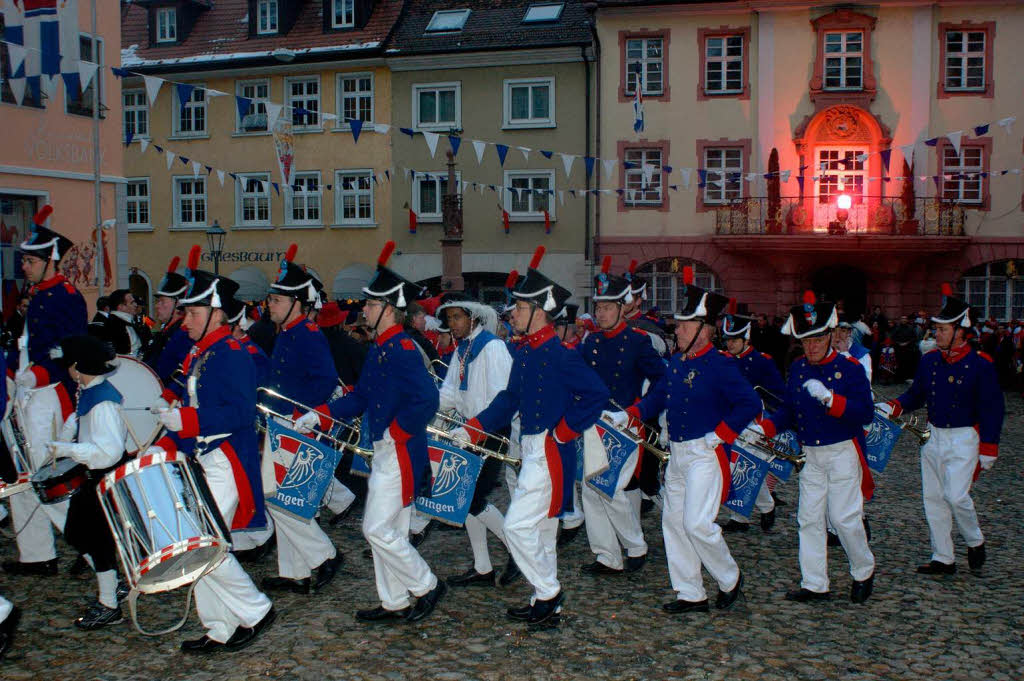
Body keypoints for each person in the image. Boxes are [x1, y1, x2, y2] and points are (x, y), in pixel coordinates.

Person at [452, 246, 608, 627]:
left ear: (541, 312)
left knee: (517, 526)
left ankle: (551, 592)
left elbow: (596, 395)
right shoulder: (524, 352)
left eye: (520, 308)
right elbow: (509, 399)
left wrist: (565, 431)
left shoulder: (562, 354)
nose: (513, 314)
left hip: (552, 452)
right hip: (532, 450)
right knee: (540, 531)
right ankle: (544, 599)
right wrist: (476, 426)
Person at [298, 241, 445, 624]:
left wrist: (399, 431)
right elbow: (362, 396)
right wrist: (321, 415)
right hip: (384, 448)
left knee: (376, 528)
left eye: (371, 305)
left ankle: (427, 584)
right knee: (390, 528)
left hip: (399, 449)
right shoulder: (382, 347)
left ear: (390, 309)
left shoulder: (402, 349)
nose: (364, 309)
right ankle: (394, 600)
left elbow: (428, 399)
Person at [147, 245, 275, 653]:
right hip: (205, 458)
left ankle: (255, 609)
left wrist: (183, 423)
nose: (185, 321)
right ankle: (219, 626)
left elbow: (239, 414)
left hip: (226, 459)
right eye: (185, 313)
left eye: (194, 314)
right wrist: (162, 446)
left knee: (200, 542)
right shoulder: (202, 351)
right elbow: (191, 411)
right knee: (202, 544)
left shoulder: (231, 353)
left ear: (218, 313)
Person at [616, 266, 758, 615]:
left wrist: (720, 435)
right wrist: (630, 413)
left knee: (697, 523)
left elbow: (749, 404)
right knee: (675, 523)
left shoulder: (721, 365)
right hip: (676, 453)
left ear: (703, 331)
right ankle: (690, 592)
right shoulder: (677, 363)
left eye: (682, 326)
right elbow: (658, 396)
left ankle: (730, 577)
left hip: (705, 453)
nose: (675, 330)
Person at [757, 291, 876, 605]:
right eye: (805, 340)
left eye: (817, 339)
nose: (810, 346)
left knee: (844, 518)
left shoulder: (850, 370)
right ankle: (814, 583)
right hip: (811, 453)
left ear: (830, 336)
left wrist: (831, 400)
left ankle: (863, 569)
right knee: (808, 518)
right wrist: (768, 426)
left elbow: (866, 413)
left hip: (842, 452)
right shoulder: (797, 368)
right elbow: (790, 410)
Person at [884, 283, 1003, 576]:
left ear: (961, 332)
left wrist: (989, 446)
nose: (935, 334)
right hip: (933, 436)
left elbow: (992, 408)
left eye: (942, 330)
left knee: (956, 496)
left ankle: (975, 539)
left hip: (964, 438)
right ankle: (943, 557)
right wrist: (894, 407)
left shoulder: (980, 364)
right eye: (936, 329)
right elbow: (917, 395)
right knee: (933, 498)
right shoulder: (930, 361)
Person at [4, 205, 88, 577]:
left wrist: (37, 374)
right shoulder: (38, 293)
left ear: (49, 259)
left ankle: (92, 550)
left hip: (50, 393)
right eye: (24, 260)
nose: (24, 265)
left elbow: (72, 351)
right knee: (22, 475)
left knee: (45, 477)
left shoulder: (66, 296)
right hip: (27, 394)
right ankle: (37, 555)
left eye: (30, 260)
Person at [260, 244, 346, 594]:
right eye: (271, 300)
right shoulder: (287, 333)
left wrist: (300, 415)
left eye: (277, 301)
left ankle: (324, 555)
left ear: (297, 303)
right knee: (287, 498)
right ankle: (294, 573)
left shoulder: (308, 335)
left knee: (277, 498)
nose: (270, 306)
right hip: (281, 424)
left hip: (296, 427)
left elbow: (326, 382)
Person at [577, 257, 665, 574]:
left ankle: (635, 545)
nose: (600, 313)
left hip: (624, 427)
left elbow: (663, 382)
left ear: (621, 308)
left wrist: (638, 412)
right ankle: (607, 556)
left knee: (608, 487)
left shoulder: (638, 342)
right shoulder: (592, 342)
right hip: (594, 425)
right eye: (597, 307)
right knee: (591, 489)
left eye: (607, 307)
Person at [434, 291, 520, 588]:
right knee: (465, 499)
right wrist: (423, 406)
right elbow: (448, 394)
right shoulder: (463, 350)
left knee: (473, 498)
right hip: (469, 433)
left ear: (474, 317)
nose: (452, 324)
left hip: (491, 431)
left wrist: (476, 427)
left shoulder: (493, 347)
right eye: (449, 318)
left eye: (457, 317)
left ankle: (517, 552)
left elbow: (502, 396)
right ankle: (483, 568)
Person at [47, 335, 129, 629]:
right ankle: (113, 584)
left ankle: (110, 604)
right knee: (77, 534)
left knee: (97, 541)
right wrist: (64, 438)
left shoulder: (102, 402)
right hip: (94, 477)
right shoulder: (90, 390)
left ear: (78, 367)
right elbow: (79, 422)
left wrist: (69, 450)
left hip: (104, 478)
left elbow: (109, 452)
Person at [720, 300, 781, 533]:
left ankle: (764, 507)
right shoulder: (724, 360)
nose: (730, 344)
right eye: (728, 339)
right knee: (734, 466)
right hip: (728, 419)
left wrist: (770, 422)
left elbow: (776, 392)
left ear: (746, 338)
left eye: (734, 339)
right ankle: (742, 516)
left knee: (748, 467)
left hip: (753, 423)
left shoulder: (762, 361)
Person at [141, 255, 193, 401]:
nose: (157, 306)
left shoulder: (184, 333)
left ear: (178, 304)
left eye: (162, 301)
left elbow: (182, 374)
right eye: (157, 301)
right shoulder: (168, 330)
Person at [103, 289, 146, 357]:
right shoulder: (114, 325)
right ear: (121, 307)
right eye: (132, 303)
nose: (136, 305)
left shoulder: (127, 321)